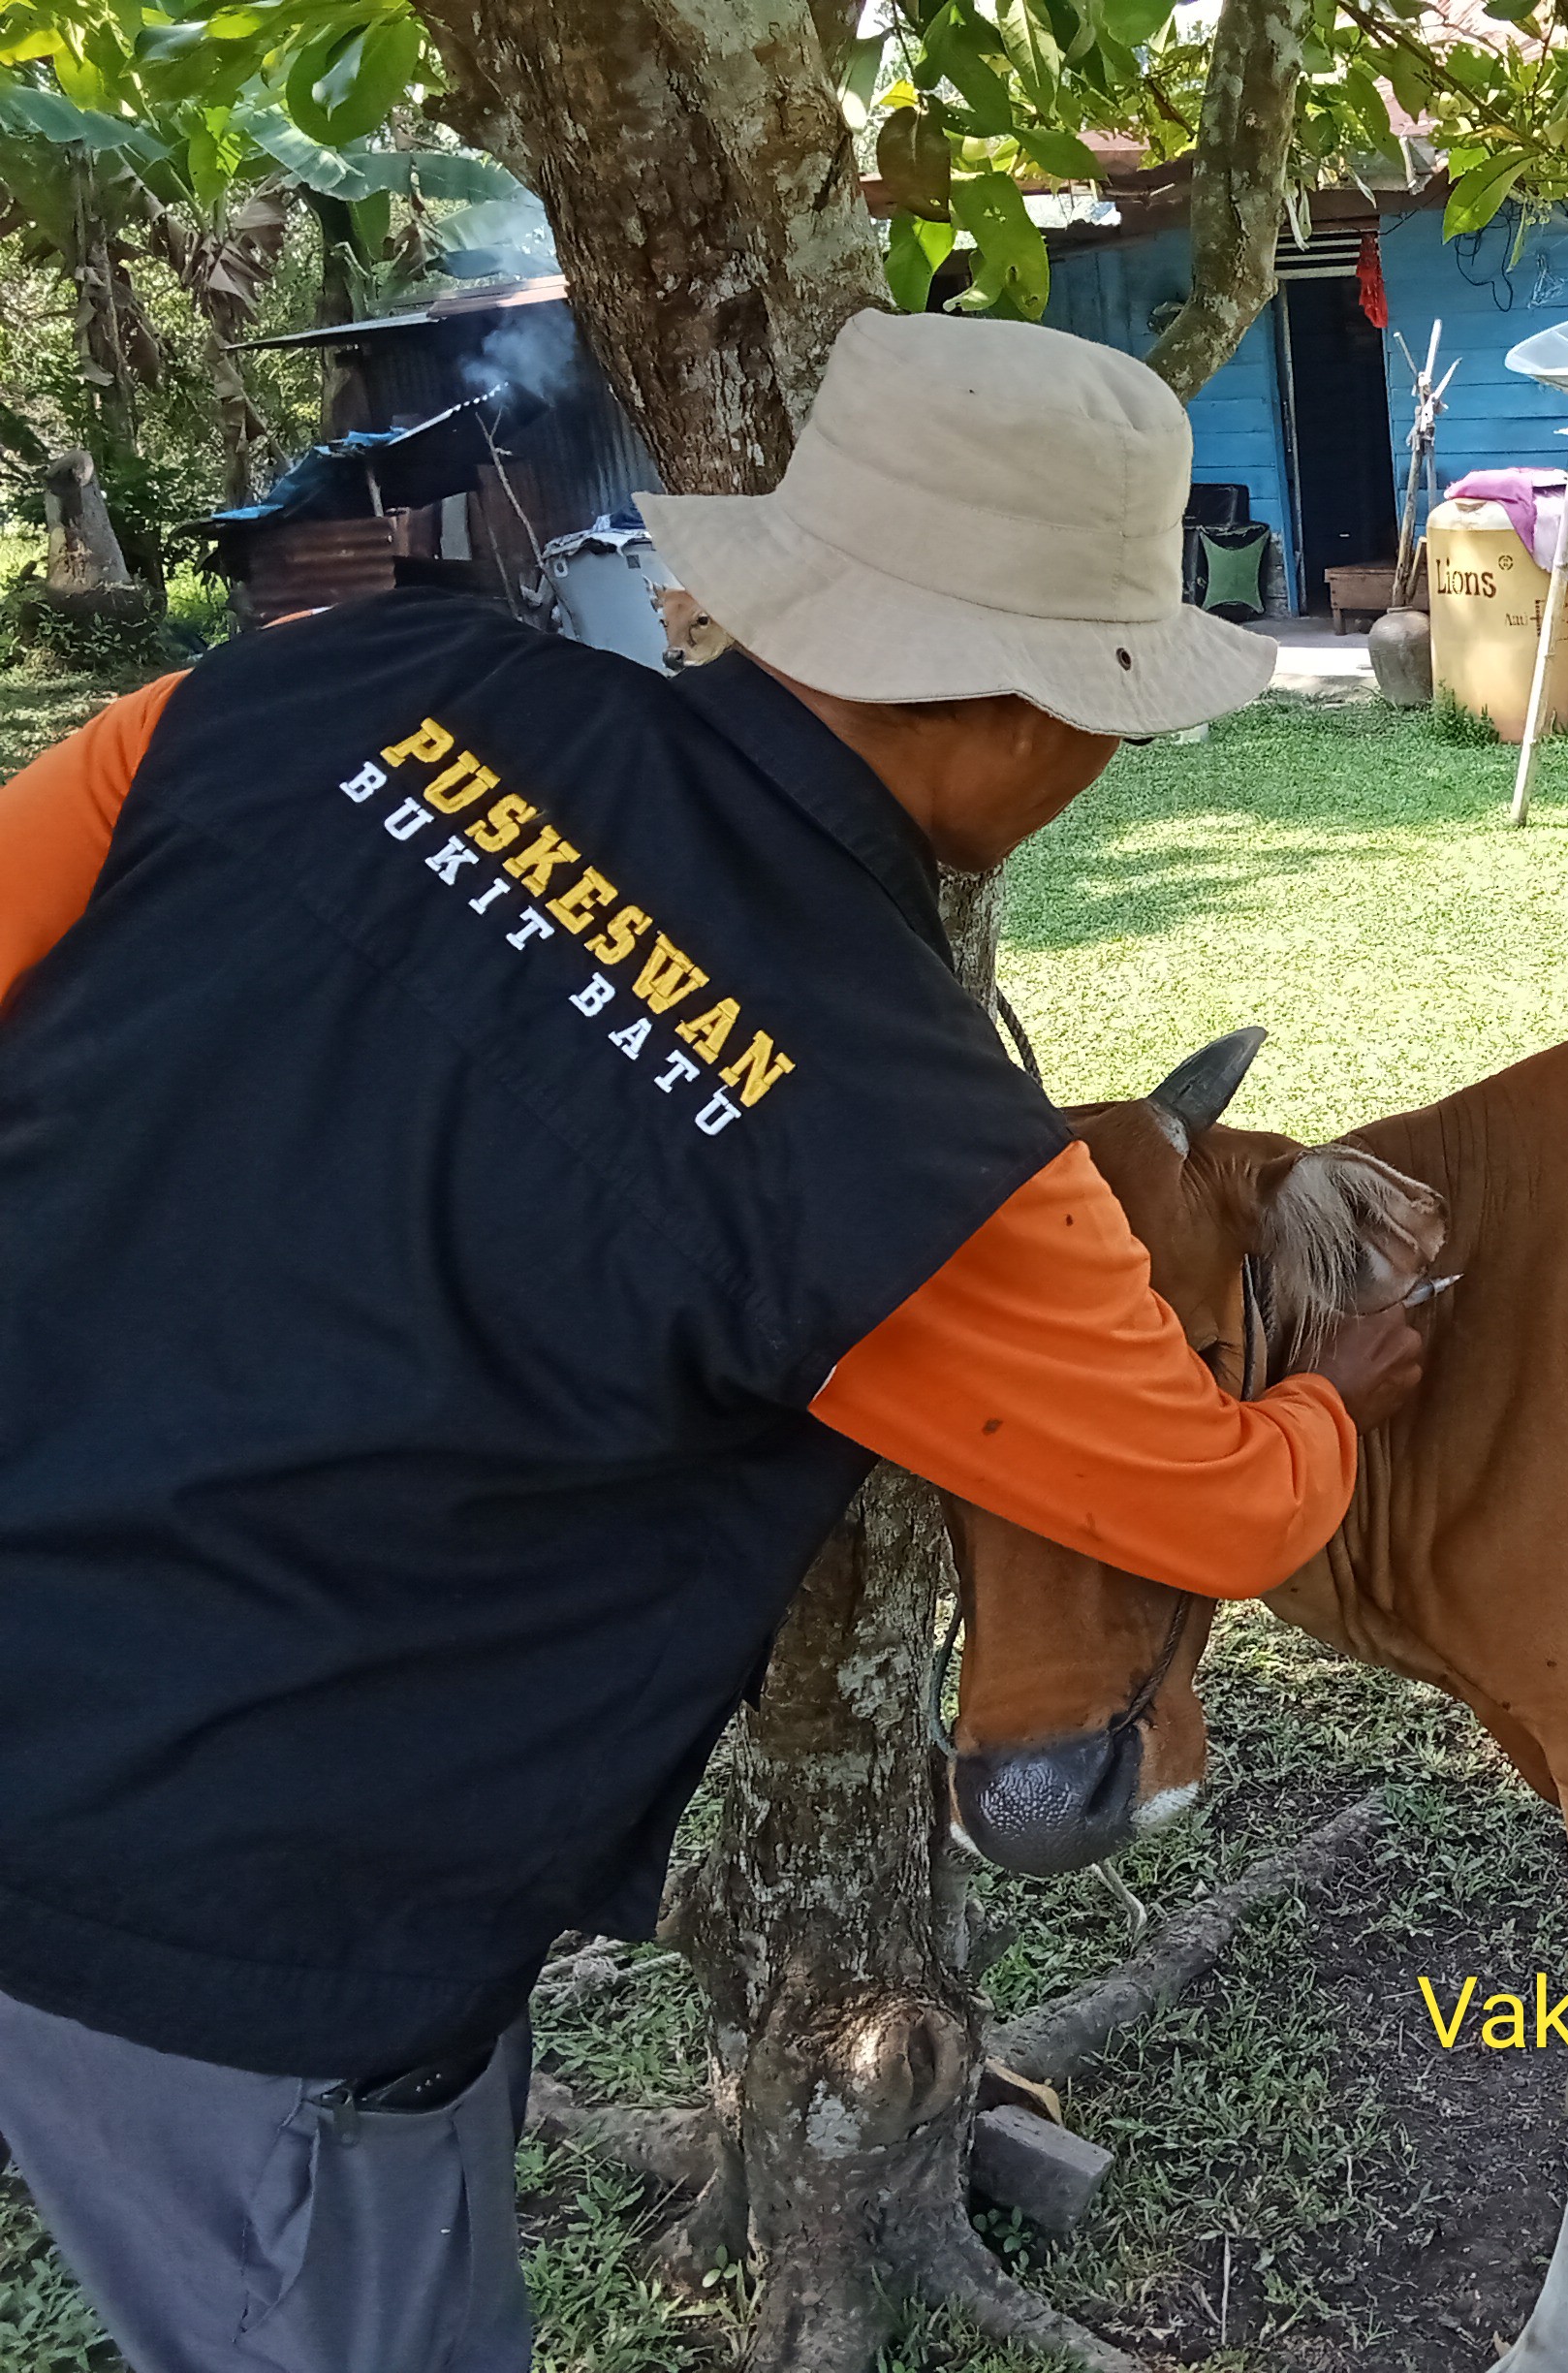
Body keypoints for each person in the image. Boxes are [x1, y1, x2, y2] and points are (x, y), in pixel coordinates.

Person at [0, 310, 1424, 2371]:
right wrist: (1328, 1397)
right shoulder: (924, 1151)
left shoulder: (307, 690)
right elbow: (1204, 1508)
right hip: (232, 1922)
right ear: (1050, 714)